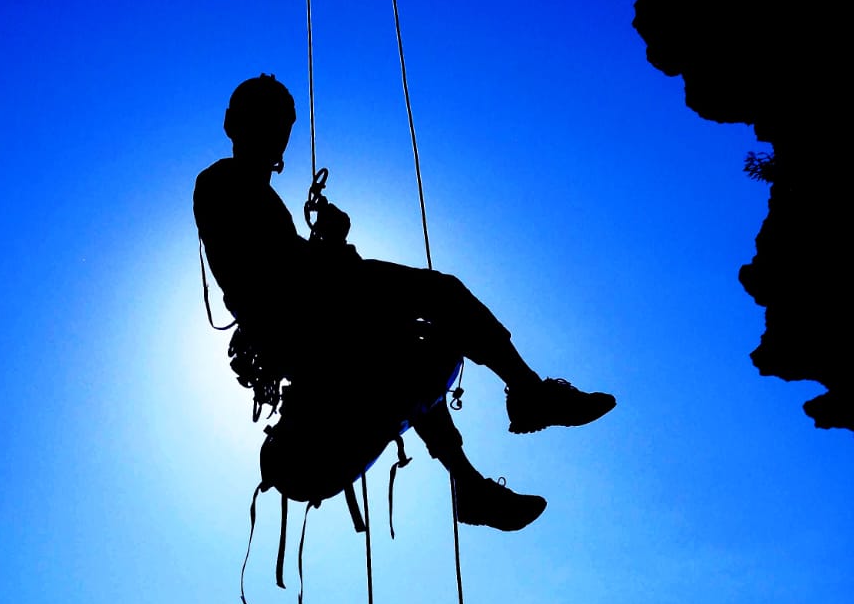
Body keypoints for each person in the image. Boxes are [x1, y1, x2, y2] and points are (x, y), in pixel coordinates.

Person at [194, 74, 615, 530]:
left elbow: (281, 261)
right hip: (299, 320)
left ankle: (470, 484)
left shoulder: (247, 191)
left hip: (305, 320)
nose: (276, 134)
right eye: (269, 121)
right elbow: (273, 267)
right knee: (442, 294)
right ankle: (529, 394)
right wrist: (333, 244)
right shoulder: (222, 183)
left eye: (281, 125)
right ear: (234, 124)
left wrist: (328, 248)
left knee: (411, 355)